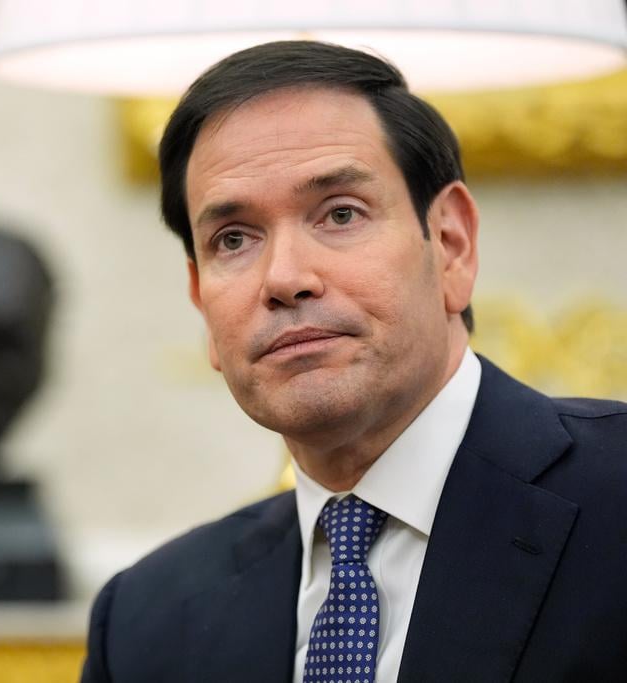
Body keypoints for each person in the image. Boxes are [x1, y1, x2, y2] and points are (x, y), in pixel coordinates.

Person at [80, 41, 627, 683]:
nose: (285, 278)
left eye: (341, 214)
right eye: (233, 239)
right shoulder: (146, 624)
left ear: (451, 245)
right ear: (201, 301)